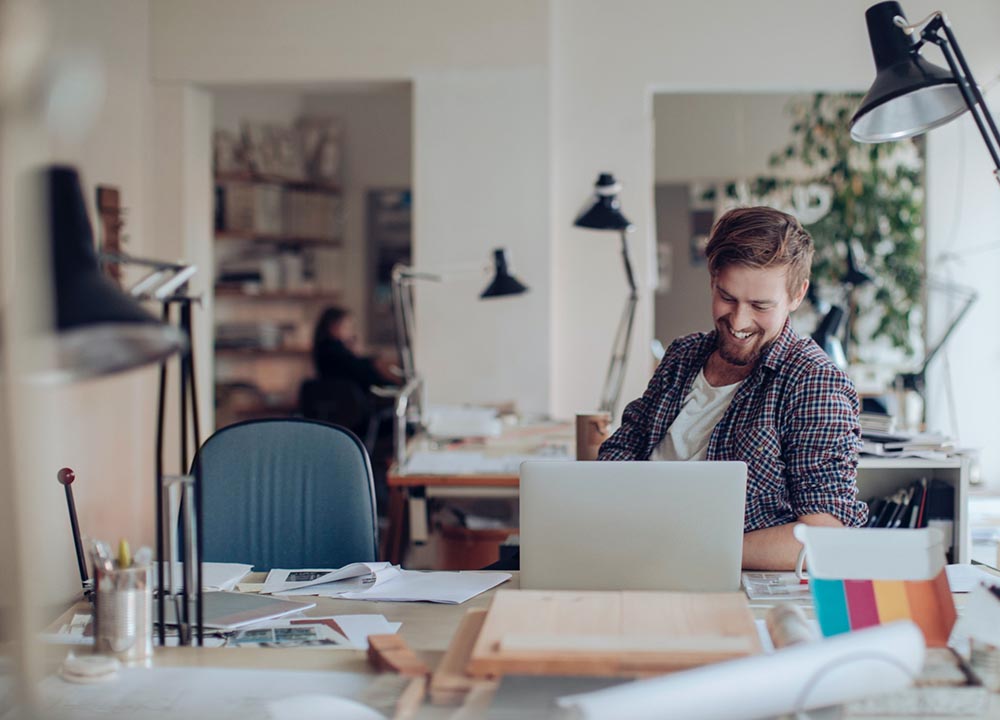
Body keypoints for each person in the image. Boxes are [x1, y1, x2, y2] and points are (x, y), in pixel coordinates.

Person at [598, 206, 868, 571]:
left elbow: (824, 535)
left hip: (713, 578)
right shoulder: (683, 355)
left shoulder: (811, 382)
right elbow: (619, 456)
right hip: (625, 557)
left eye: (760, 305)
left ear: (797, 295)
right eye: (727, 298)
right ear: (713, 280)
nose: (739, 321)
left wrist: (686, 549)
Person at [312, 306, 399, 390]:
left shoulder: (325, 349)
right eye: (347, 327)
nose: (351, 333)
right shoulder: (334, 351)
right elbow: (362, 372)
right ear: (333, 327)